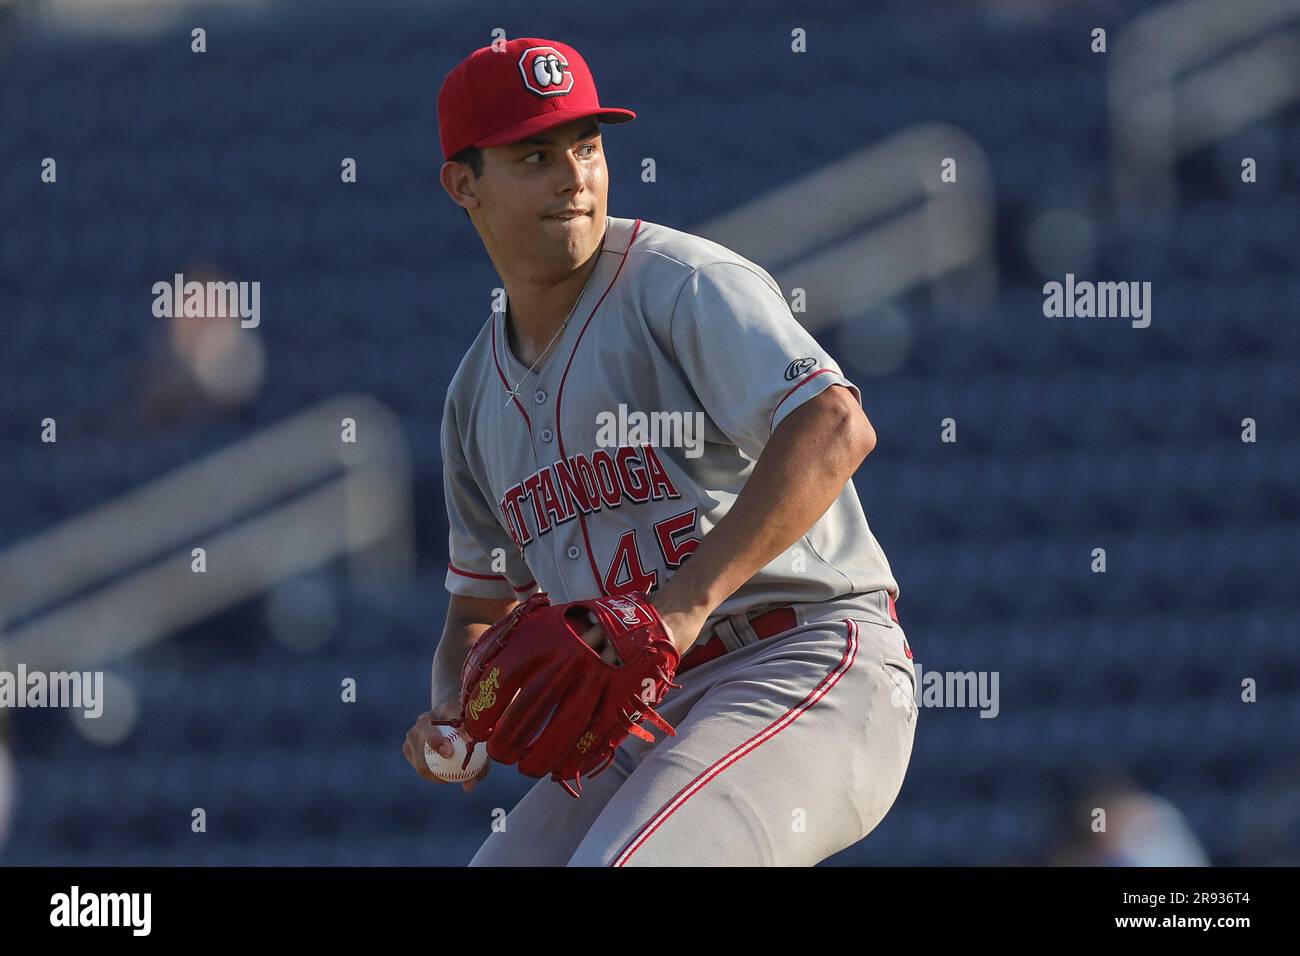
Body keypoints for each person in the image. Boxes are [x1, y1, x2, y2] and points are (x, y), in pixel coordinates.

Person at [402, 36, 918, 866]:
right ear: (464, 183)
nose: (574, 177)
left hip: (803, 659)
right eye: (535, 156)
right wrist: (456, 713)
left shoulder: (679, 283)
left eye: (588, 148)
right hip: (644, 716)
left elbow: (833, 424)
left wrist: (681, 605)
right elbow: (478, 610)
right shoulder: (473, 398)